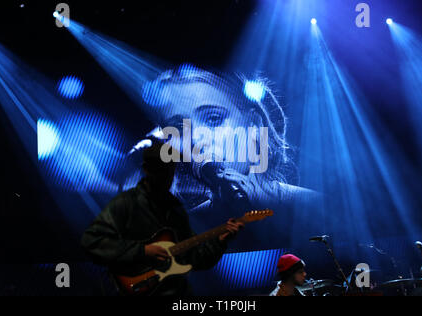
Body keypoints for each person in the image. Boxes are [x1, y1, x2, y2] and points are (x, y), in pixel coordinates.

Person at [138, 64, 320, 250]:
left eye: (213, 119)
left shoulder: (316, 208)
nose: (195, 138)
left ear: (254, 125)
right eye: (178, 129)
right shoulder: (182, 231)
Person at [81, 141, 243, 295]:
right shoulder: (126, 204)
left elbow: (195, 258)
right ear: (147, 170)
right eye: (161, 171)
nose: (168, 177)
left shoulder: (175, 211)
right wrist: (143, 251)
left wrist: (220, 241)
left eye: (170, 170)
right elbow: (92, 242)